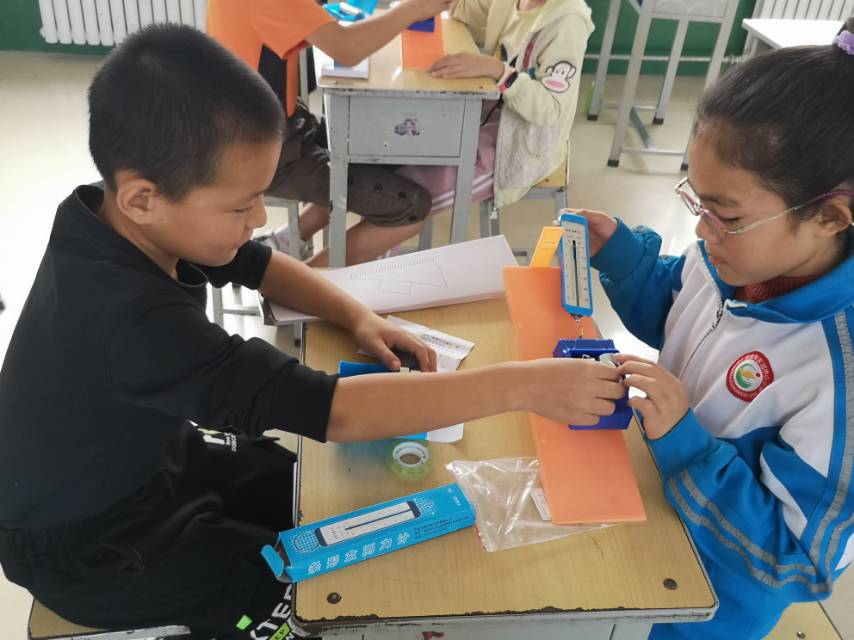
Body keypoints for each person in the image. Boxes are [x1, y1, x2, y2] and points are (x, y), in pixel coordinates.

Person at [0, 25, 625, 640]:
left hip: (147, 459)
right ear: (142, 198)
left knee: (302, 491)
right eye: (241, 205)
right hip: (87, 544)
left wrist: (357, 316)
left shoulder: (116, 211)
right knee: (289, 596)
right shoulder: (135, 324)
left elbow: (258, 264)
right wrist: (522, 386)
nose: (258, 219)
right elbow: (334, 410)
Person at [575, 22, 854, 639]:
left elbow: (794, 562)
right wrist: (625, 257)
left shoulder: (839, 376)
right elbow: (679, 314)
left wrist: (686, 444)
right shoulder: (729, 257)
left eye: (725, 214)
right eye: (697, 202)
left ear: (831, 216)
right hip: (643, 510)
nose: (703, 231)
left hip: (696, 607)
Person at [206, 0, 452, 266]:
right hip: (262, 153)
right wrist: (414, 9)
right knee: (413, 207)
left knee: (380, 149)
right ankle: (301, 281)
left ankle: (287, 241)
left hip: (272, 127)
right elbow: (347, 49)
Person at [395, 0, 593, 225]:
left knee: (405, 196)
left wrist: (498, 71)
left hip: (521, 144)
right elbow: (460, 8)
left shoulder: (567, 22)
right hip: (486, 113)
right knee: (395, 163)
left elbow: (550, 109)